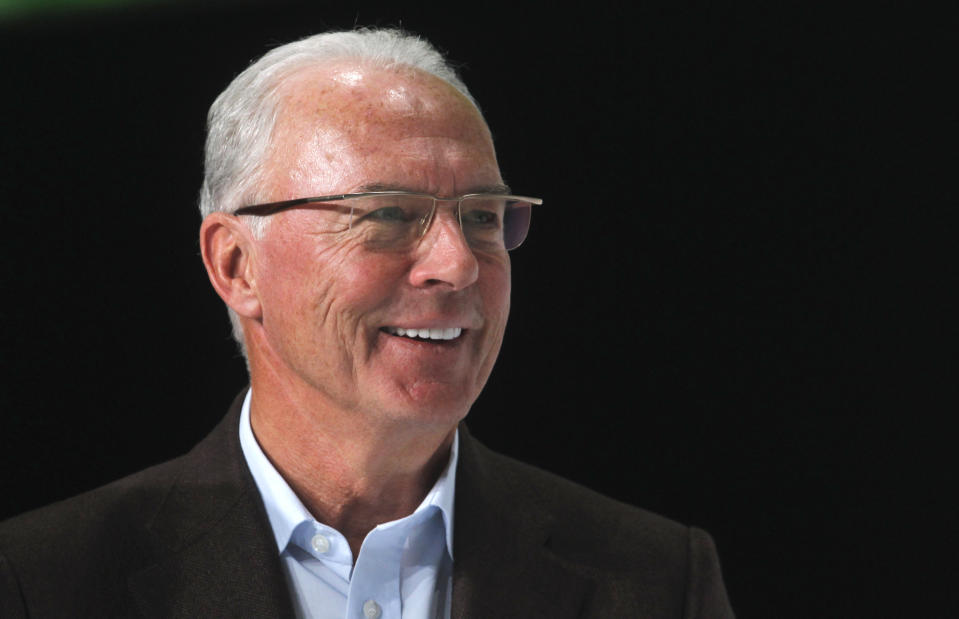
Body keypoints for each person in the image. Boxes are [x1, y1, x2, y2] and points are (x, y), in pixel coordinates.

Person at [0, 28, 734, 618]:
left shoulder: (656, 580)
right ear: (236, 266)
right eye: (387, 213)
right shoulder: (43, 581)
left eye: (481, 216)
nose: (458, 264)